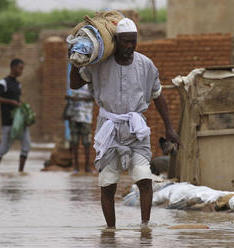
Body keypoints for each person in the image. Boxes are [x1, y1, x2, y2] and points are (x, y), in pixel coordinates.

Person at [70, 18, 180, 229]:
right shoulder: (99, 65)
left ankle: (145, 226)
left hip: (136, 129)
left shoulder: (145, 65)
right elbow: (75, 84)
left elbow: (158, 95)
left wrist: (169, 127)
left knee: (144, 178)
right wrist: (75, 61)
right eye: (125, 42)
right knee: (107, 183)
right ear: (116, 41)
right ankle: (110, 231)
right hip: (109, 128)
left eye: (133, 42)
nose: (130, 46)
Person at [0, 58, 31, 173]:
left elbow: (18, 100)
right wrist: (10, 102)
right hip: (8, 121)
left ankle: (21, 172)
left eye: (22, 69)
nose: (21, 71)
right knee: (4, 148)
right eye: (20, 68)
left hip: (19, 121)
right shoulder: (3, 82)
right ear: (13, 68)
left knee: (26, 146)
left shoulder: (18, 84)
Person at [66, 84, 94, 173]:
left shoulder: (90, 85)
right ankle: (76, 167)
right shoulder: (73, 84)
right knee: (74, 143)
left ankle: (87, 167)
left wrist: (78, 99)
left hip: (86, 117)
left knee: (86, 143)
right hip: (74, 116)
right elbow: (68, 97)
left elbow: (93, 98)